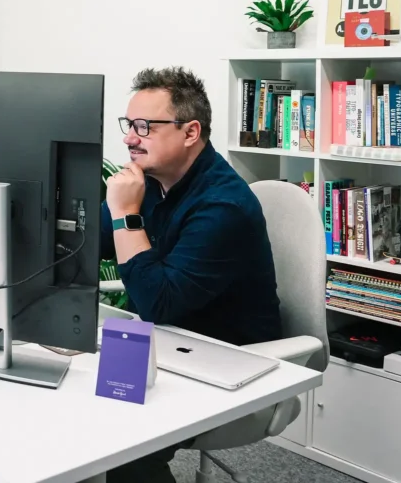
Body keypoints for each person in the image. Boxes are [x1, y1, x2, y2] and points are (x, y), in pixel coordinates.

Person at [101, 67, 282, 483]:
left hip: (224, 361)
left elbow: (158, 304)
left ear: (190, 132)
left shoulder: (223, 206)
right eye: (130, 125)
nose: (130, 138)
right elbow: (82, 243)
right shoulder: (151, 182)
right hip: (164, 346)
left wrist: (126, 217)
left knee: (117, 444)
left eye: (145, 127)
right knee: (68, 411)